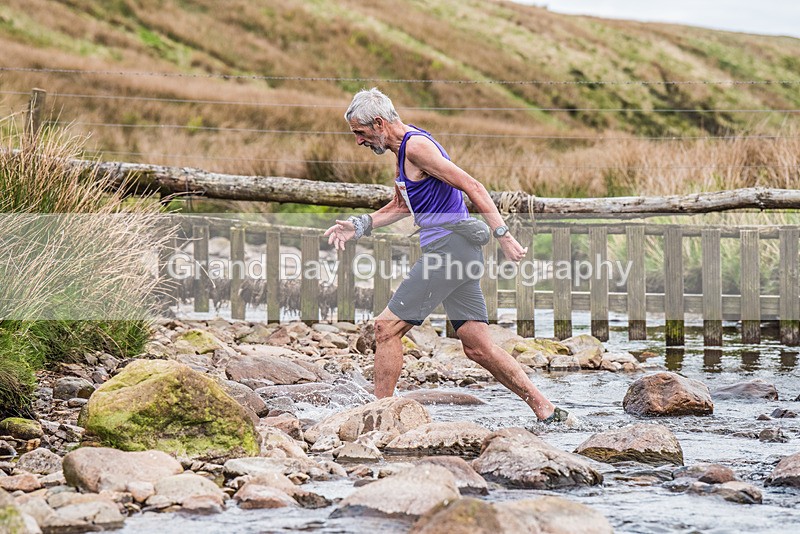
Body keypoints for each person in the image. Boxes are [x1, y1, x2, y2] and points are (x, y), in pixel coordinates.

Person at [324, 88, 569, 423]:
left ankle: (378, 418)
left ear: (379, 123)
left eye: (360, 132)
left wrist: (503, 235)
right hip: (460, 255)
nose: (359, 141)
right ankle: (547, 409)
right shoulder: (402, 152)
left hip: (448, 253)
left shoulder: (417, 147)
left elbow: (474, 186)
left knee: (385, 329)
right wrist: (360, 224)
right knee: (477, 346)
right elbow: (400, 206)